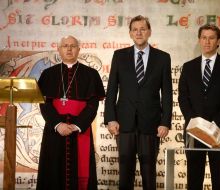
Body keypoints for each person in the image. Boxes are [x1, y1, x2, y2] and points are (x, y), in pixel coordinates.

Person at [104, 15, 173, 190]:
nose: (139, 32)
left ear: (149, 32)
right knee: (125, 173)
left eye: (142, 29)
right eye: (135, 29)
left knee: (149, 174)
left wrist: (165, 122)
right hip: (124, 123)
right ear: (130, 33)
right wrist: (110, 118)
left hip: (151, 124)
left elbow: (167, 94)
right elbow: (111, 89)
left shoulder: (163, 58)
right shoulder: (119, 56)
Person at [36, 35, 105, 190]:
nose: (69, 49)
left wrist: (77, 125)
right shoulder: (48, 74)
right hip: (54, 131)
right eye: (65, 46)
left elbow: (93, 105)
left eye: (73, 46)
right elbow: (44, 104)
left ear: (78, 49)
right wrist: (57, 124)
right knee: (52, 171)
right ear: (59, 49)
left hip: (80, 131)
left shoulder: (91, 74)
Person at [178, 24, 220, 190]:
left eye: (211, 38)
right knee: (194, 178)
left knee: (219, 178)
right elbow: (183, 98)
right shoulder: (188, 67)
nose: (207, 41)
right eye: (204, 38)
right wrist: (195, 123)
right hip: (194, 131)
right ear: (199, 40)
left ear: (218, 41)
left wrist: (215, 125)